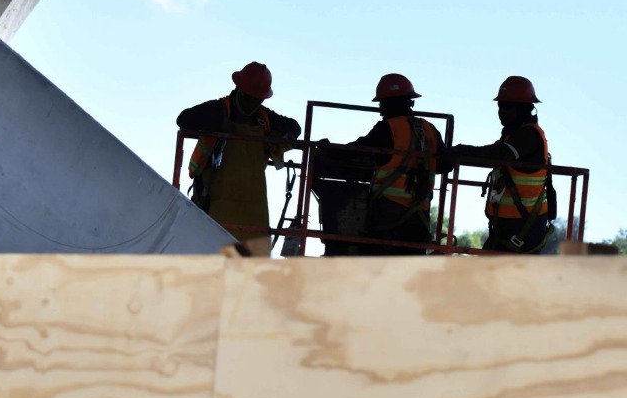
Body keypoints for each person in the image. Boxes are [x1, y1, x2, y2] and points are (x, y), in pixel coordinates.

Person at [176, 61, 300, 241]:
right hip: (215, 202)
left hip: (253, 210)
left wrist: (281, 136)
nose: (253, 103)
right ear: (239, 89)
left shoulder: (264, 117)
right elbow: (184, 120)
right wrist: (216, 125)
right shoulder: (218, 110)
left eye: (258, 99)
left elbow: (294, 127)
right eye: (251, 97)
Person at [328, 74, 450, 255]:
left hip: (388, 219)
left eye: (381, 104)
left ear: (386, 104)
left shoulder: (387, 128)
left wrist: (327, 149)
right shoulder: (430, 129)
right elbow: (445, 166)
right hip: (419, 219)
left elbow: (356, 150)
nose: (380, 110)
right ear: (411, 102)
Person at [452, 76, 554, 254]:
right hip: (509, 227)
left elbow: (496, 154)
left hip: (522, 230)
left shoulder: (528, 136)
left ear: (524, 108)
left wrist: (460, 151)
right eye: (499, 106)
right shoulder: (514, 136)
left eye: (506, 107)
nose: (501, 112)